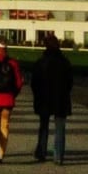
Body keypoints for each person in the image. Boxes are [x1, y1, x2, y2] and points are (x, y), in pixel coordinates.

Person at [30, 32, 74, 164]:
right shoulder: (65, 62)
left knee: (44, 125)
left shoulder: (41, 62)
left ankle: (41, 152)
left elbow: (34, 83)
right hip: (61, 99)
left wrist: (37, 95)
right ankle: (58, 155)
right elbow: (70, 82)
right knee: (60, 128)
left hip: (44, 98)